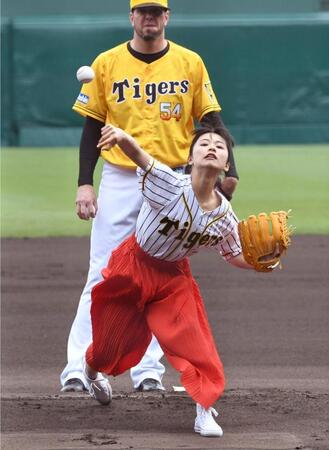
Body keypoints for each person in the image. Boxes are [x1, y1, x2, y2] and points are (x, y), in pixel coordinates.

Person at [61, 0, 239, 394]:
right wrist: (84, 183)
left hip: (174, 181)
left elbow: (210, 122)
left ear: (167, 17)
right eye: (142, 11)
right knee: (102, 270)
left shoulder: (190, 62)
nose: (149, 18)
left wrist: (233, 171)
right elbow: (92, 128)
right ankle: (77, 365)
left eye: (156, 12)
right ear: (131, 17)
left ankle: (147, 371)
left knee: (160, 274)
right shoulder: (106, 63)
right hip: (122, 177)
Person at [81, 123, 264, 437]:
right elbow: (141, 157)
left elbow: (233, 253)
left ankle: (204, 410)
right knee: (109, 346)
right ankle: (92, 371)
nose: (211, 147)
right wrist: (124, 137)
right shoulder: (170, 184)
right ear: (190, 158)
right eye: (203, 143)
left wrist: (263, 264)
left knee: (197, 345)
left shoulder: (224, 216)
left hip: (174, 278)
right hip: (133, 267)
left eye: (219, 146)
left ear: (226, 164)